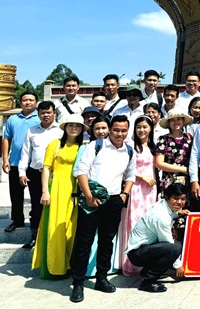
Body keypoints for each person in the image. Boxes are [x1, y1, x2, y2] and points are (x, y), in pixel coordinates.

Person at [70, 115, 135, 303]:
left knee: (107, 242)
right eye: (116, 130)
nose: (119, 134)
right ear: (110, 129)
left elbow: (131, 175)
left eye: (123, 130)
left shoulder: (129, 150)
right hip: (92, 200)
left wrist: (124, 194)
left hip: (113, 201)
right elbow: (81, 171)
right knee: (84, 242)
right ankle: (78, 283)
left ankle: (101, 278)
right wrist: (89, 196)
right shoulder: (96, 146)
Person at [31, 114, 84, 279]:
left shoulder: (84, 146)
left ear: (82, 129)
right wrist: (45, 191)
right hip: (57, 189)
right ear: (65, 127)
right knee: (56, 228)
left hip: (76, 190)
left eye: (78, 125)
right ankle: (55, 267)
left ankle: (69, 264)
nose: (74, 128)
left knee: (71, 229)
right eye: (70, 125)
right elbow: (46, 168)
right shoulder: (55, 144)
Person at [125, 183, 188, 293]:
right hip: (137, 254)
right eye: (176, 198)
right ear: (167, 197)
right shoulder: (161, 216)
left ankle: (147, 272)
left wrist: (178, 213)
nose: (179, 202)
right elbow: (168, 242)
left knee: (177, 245)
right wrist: (178, 266)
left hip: (143, 248)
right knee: (174, 248)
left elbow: (170, 214)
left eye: (183, 199)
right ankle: (147, 282)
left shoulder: (162, 204)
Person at [18, 100, 62, 248]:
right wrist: (22, 172)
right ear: (38, 114)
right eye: (43, 113)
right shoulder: (32, 131)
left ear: (54, 113)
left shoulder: (61, 131)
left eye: (49, 112)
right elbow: (25, 153)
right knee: (37, 205)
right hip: (35, 173)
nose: (46, 115)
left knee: (53, 204)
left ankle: (51, 236)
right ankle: (35, 235)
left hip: (55, 174)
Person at [121, 116, 158, 277]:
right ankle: (131, 263)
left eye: (145, 127)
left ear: (151, 128)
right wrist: (142, 177)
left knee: (149, 224)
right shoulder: (130, 145)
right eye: (138, 127)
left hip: (150, 191)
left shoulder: (154, 147)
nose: (141, 130)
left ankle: (147, 261)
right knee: (134, 223)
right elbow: (123, 168)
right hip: (135, 188)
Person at [2, 91, 39, 233]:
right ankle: (17, 220)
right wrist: (5, 159)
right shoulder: (13, 119)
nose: (27, 102)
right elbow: (7, 139)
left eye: (31, 100)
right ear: (20, 102)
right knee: (16, 194)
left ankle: (36, 221)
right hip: (15, 162)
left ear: (36, 103)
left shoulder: (40, 117)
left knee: (35, 195)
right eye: (24, 100)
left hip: (35, 164)